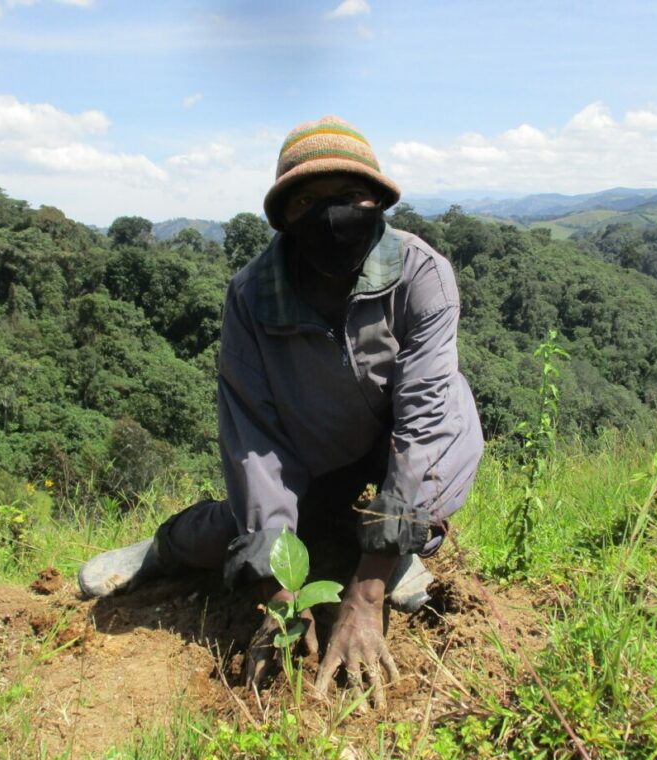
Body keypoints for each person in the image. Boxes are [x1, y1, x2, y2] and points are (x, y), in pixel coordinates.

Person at [79, 116, 483, 705]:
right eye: (308, 201)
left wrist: (365, 597)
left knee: (418, 503)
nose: (331, 214)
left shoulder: (421, 273)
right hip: (317, 446)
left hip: (415, 438)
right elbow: (254, 440)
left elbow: (424, 422)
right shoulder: (252, 297)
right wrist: (278, 595)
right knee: (254, 531)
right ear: (285, 216)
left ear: (378, 200)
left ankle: (387, 558)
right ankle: (167, 546)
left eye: (350, 195)